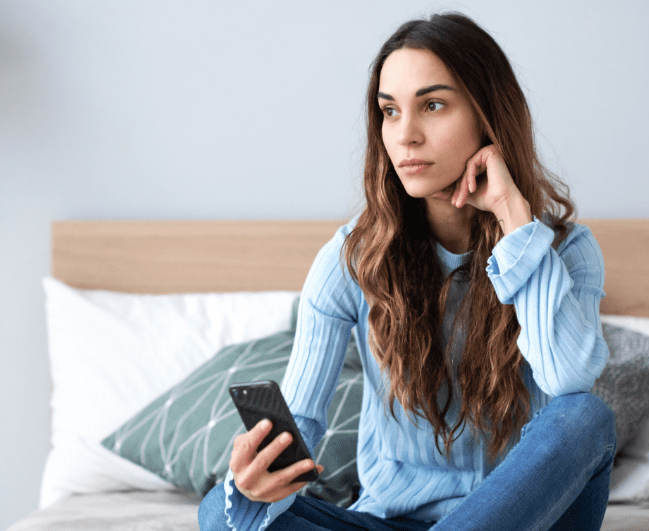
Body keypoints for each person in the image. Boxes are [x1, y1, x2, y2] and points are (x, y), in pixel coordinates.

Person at [200, 12, 615, 531]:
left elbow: (566, 376)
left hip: (523, 521)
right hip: (386, 521)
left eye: (433, 105)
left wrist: (515, 218)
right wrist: (258, 479)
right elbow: (300, 421)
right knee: (224, 507)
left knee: (585, 417)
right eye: (389, 111)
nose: (405, 135)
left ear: (488, 115)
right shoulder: (352, 256)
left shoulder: (567, 250)